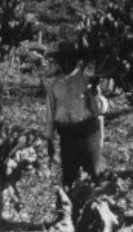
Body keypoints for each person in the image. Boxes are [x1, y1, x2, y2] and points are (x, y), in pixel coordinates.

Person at [46, 41, 107, 188]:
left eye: (68, 58)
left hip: (88, 134)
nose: (64, 62)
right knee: (69, 178)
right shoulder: (54, 84)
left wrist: (94, 92)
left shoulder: (86, 78)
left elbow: (99, 109)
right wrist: (49, 139)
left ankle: (96, 207)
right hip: (67, 136)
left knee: (96, 173)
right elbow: (50, 113)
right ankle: (72, 209)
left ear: (75, 60)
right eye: (61, 59)